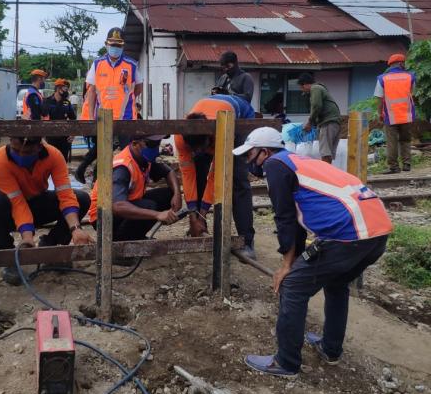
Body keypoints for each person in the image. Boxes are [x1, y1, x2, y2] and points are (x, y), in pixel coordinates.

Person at [236, 127, 392, 378]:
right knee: (337, 283)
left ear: (264, 152)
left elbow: (284, 218)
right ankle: (331, 349)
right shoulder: (298, 161)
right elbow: (297, 224)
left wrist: (287, 266)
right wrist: (294, 258)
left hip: (348, 235)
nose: (248, 162)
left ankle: (286, 362)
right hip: (376, 232)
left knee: (293, 286)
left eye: (249, 155)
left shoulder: (275, 165)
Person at [0, 136, 94, 285]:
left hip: (37, 201)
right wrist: (27, 237)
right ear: (10, 142)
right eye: (16, 150)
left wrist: (75, 229)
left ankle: (51, 245)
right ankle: (8, 256)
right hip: (8, 209)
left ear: (39, 147)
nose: (20, 156)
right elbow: (17, 203)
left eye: (27, 152)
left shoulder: (54, 156)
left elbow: (65, 194)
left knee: (81, 199)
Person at [174, 94, 256, 262]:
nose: (198, 152)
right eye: (194, 150)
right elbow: (188, 176)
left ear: (208, 139)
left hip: (239, 117)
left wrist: (202, 213)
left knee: (237, 180)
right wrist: (192, 215)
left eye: (201, 148)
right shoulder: (180, 137)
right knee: (198, 172)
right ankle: (198, 228)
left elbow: (216, 176)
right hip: (211, 112)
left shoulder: (221, 133)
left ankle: (247, 242)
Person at [87, 135, 181, 249]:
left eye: (158, 143)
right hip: (103, 217)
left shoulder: (144, 158)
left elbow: (168, 172)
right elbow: (118, 206)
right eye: (150, 144)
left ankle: (135, 237)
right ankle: (120, 246)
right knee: (149, 206)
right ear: (135, 144)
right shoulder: (122, 167)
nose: (155, 148)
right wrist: (158, 215)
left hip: (126, 204)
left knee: (167, 194)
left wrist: (177, 194)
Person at [76, 27, 142, 183]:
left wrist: (128, 99)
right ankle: (95, 180)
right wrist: (92, 115)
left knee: (128, 150)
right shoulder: (97, 64)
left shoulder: (131, 64)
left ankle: (128, 181)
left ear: (123, 46)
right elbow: (91, 91)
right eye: (112, 44)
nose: (115, 48)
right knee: (103, 149)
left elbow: (138, 87)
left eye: (118, 45)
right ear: (106, 44)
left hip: (125, 116)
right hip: (103, 115)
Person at [375, 53, 416, 174]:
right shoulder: (410, 77)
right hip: (406, 115)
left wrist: (380, 114)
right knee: (405, 140)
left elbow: (379, 98)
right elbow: (412, 94)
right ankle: (407, 164)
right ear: (401, 63)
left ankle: (393, 167)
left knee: (392, 141)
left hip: (390, 116)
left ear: (390, 65)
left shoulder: (382, 78)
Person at [298, 73, 341, 164]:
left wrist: (310, 122)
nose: (303, 91)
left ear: (305, 84)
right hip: (333, 122)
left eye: (302, 88)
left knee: (325, 153)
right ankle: (329, 174)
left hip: (328, 122)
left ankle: (325, 175)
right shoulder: (319, 88)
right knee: (327, 153)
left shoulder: (315, 88)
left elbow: (316, 105)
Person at [43, 79, 76, 162]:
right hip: (50, 139)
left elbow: (73, 120)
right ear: (58, 88)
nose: (66, 91)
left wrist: (72, 134)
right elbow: (41, 119)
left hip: (64, 139)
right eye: (65, 88)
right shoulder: (47, 101)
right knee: (50, 162)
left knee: (63, 163)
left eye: (67, 89)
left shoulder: (67, 103)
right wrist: (42, 138)